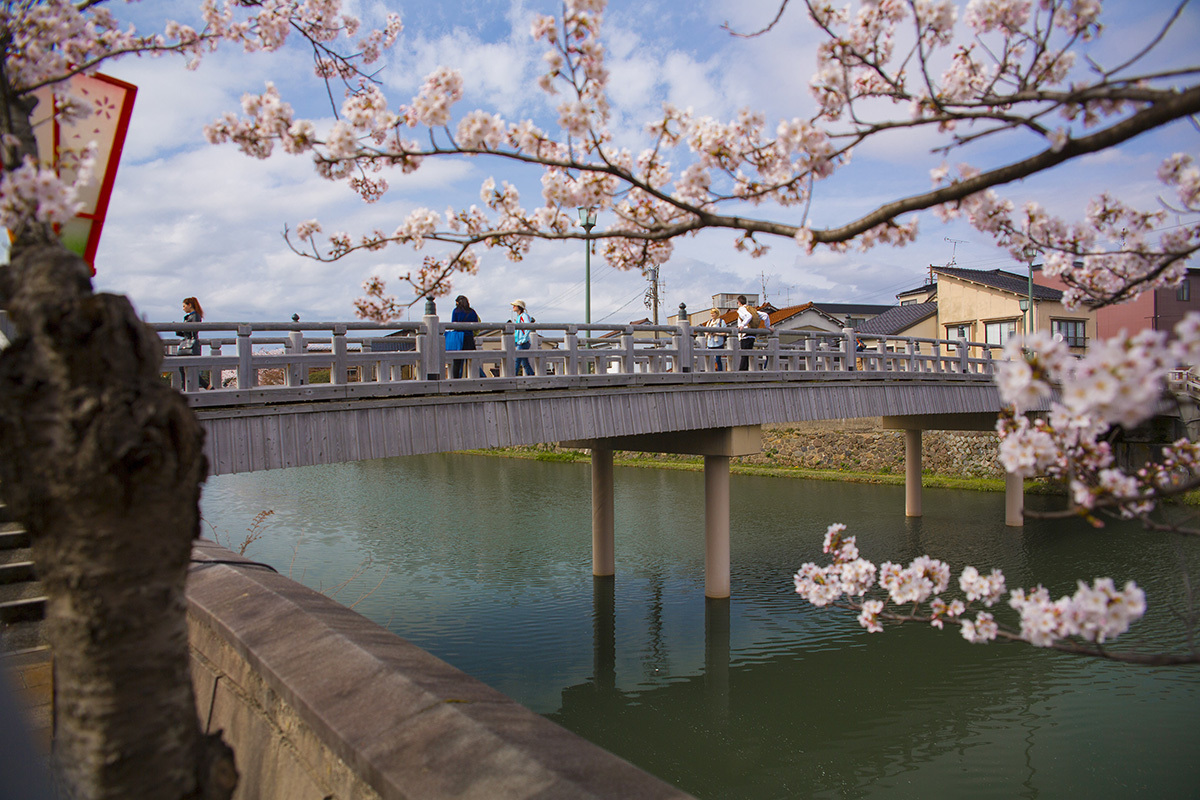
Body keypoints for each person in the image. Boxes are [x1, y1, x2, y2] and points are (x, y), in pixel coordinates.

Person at [174, 296, 210, 389]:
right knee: (182, 368)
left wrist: (183, 328)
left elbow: (194, 330)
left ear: (189, 305)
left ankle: (205, 387)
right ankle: (185, 388)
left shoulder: (195, 316)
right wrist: (178, 330)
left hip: (191, 345)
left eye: (184, 306)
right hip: (186, 344)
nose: (183, 308)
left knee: (191, 370)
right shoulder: (188, 317)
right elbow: (187, 333)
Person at [447, 295, 480, 378]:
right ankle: (477, 380)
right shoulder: (472, 311)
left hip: (458, 338)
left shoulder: (456, 311)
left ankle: (456, 382)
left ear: (458, 303)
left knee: (457, 362)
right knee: (472, 361)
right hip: (469, 338)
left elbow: (453, 324)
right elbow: (476, 325)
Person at [512, 299, 534, 376]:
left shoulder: (524, 316)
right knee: (524, 363)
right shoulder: (519, 316)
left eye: (515, 305)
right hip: (519, 342)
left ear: (519, 307)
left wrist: (523, 339)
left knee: (517, 361)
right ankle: (532, 376)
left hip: (523, 342)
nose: (513, 307)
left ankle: (513, 377)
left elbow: (528, 327)